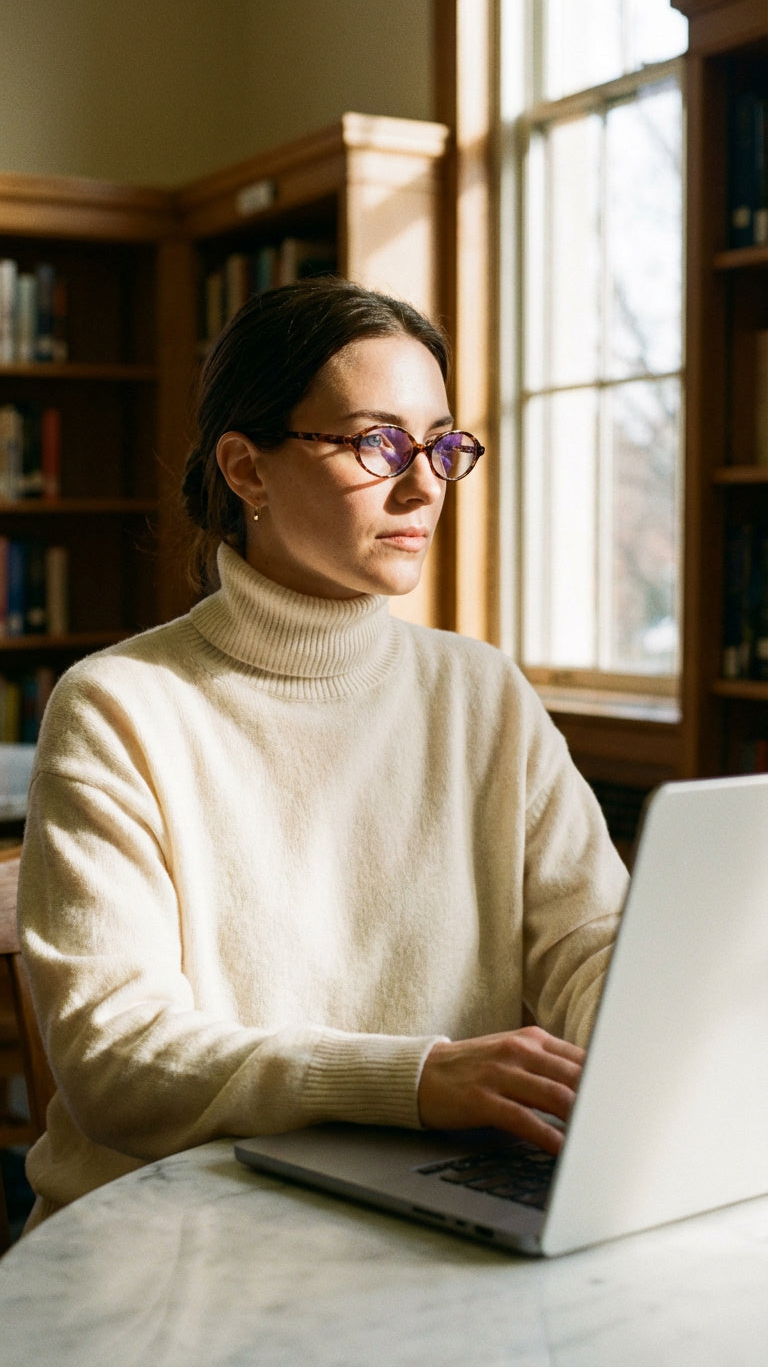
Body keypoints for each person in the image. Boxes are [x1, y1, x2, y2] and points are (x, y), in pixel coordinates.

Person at [18, 276, 628, 1227]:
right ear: (247, 469)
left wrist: (645, 1044)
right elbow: (117, 1060)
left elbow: (590, 946)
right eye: (378, 441)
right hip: (166, 1234)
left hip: (425, 1202)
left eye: (439, 445)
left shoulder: (483, 693)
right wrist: (417, 1079)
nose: (422, 483)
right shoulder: (119, 707)